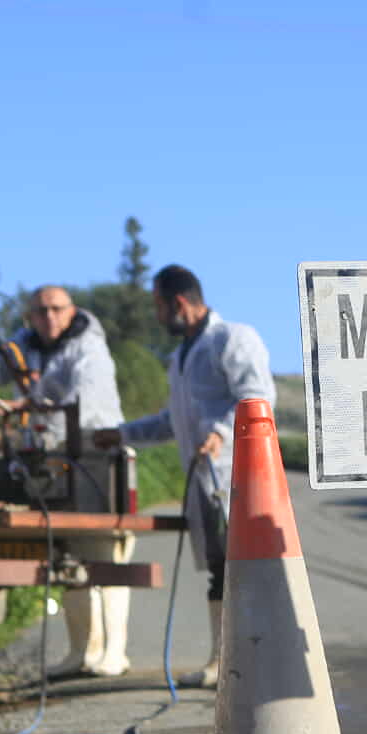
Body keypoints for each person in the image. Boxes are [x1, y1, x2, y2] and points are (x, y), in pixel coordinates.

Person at [95, 265, 274, 687]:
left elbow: (257, 396)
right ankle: (227, 661)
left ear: (178, 303)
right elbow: (171, 421)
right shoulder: (179, 358)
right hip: (205, 482)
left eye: (158, 306)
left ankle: (247, 661)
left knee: (244, 571)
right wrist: (122, 434)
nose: (158, 316)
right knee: (221, 569)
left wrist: (221, 433)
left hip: (238, 478)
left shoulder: (232, 338)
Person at [13, 284, 130, 678]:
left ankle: (114, 651)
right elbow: (0, 368)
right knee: (69, 557)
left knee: (106, 554)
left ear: (71, 311)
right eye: (40, 311)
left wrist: (29, 412)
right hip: (57, 459)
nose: (48, 317)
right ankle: (82, 650)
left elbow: (83, 405)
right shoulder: (27, 346)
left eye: (56, 309)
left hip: (98, 457)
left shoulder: (89, 349)